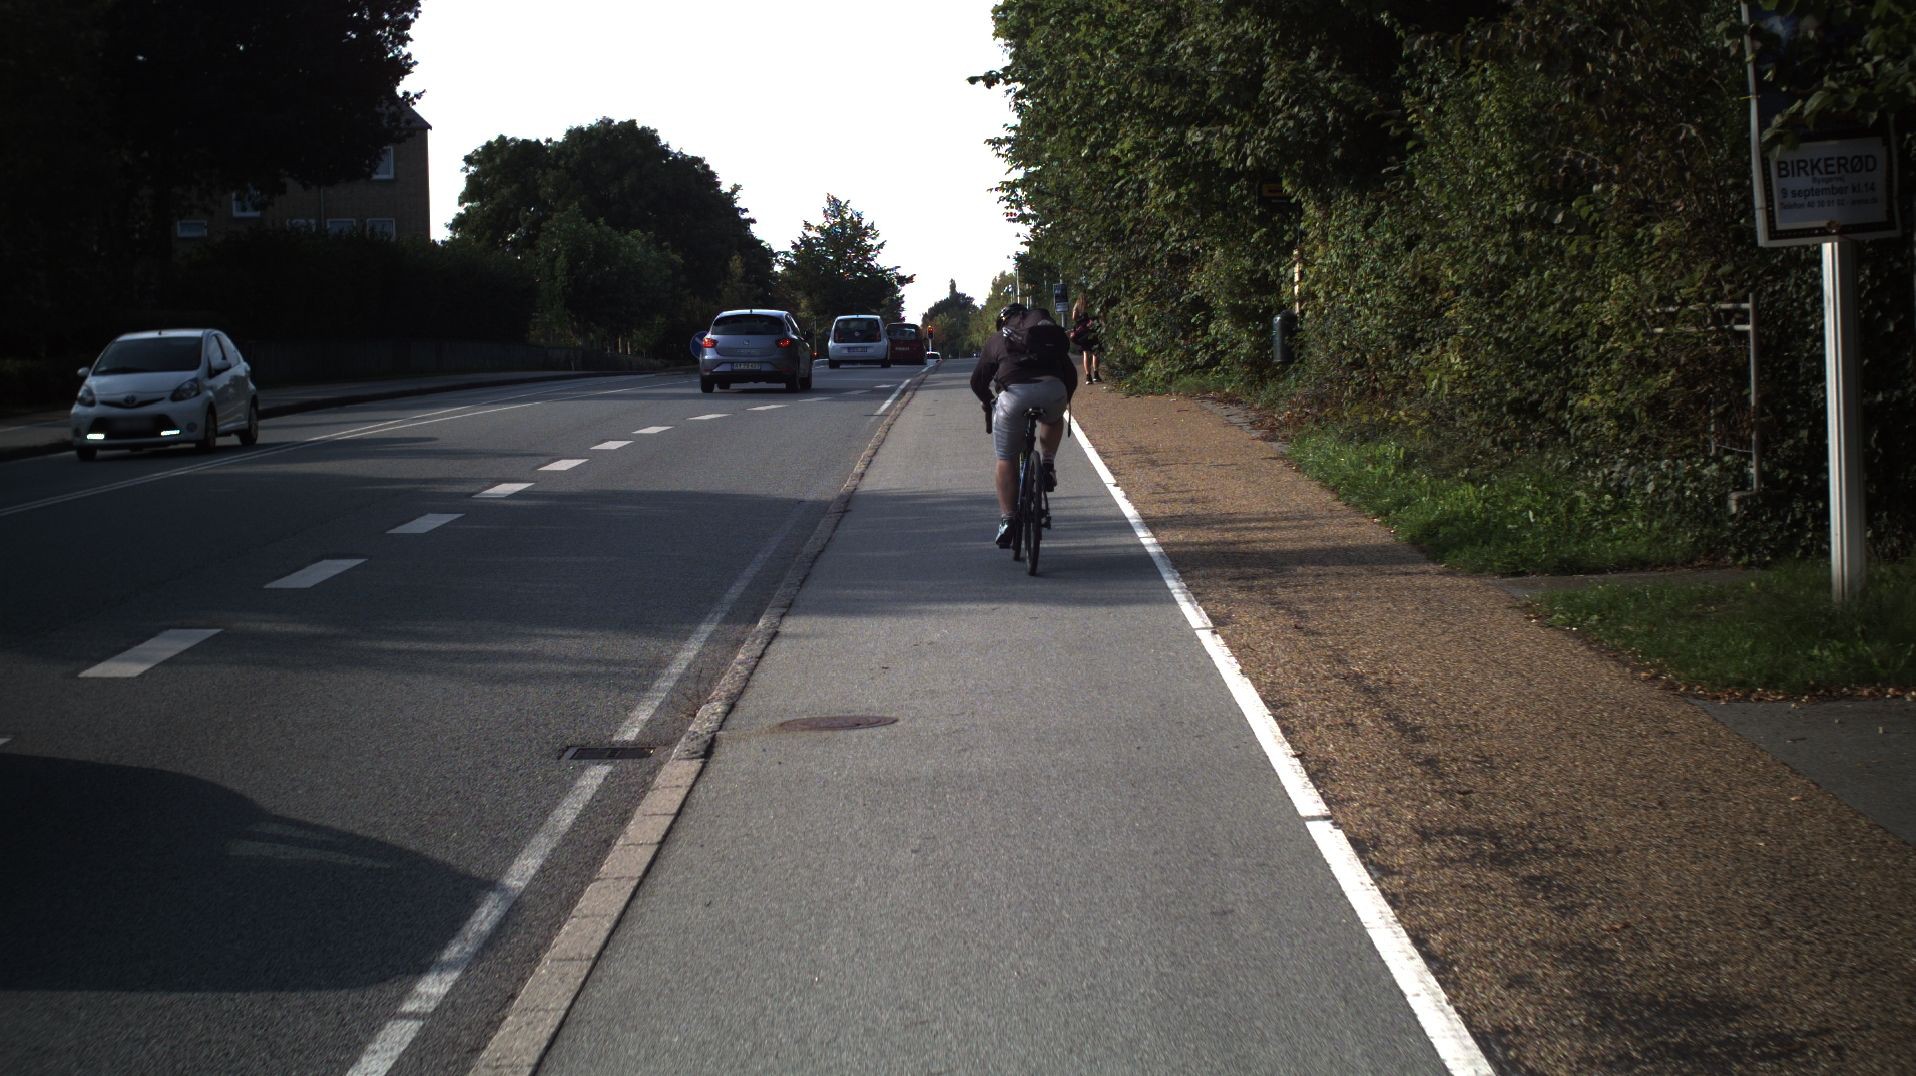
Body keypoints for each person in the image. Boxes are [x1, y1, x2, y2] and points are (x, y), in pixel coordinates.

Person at [971, 303, 1079, 547]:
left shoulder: (998, 338)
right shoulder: (1045, 334)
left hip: (1014, 396)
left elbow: (978, 381)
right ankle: (1047, 464)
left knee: (1006, 457)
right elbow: (1070, 376)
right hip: (1053, 390)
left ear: (1003, 322)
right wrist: (1063, 400)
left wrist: (988, 402)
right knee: (1053, 419)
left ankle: (1008, 519)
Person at [1069, 297, 1103, 383]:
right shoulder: (1093, 301)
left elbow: (1074, 317)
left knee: (1086, 353)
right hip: (1093, 329)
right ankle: (1096, 375)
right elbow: (1099, 314)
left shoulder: (1078, 304)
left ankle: (1088, 377)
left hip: (1082, 332)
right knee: (1095, 352)